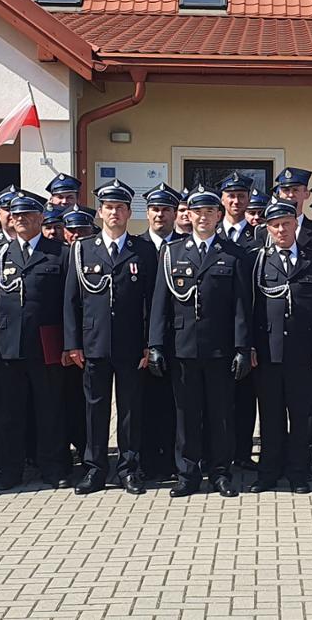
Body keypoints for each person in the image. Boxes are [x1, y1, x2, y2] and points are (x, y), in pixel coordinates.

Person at [152, 188, 255, 497]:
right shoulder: (172, 253)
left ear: (218, 216)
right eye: (198, 212)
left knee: (221, 414)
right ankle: (188, 474)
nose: (203, 217)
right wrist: (156, 345)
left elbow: (241, 307)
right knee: (186, 414)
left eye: (210, 212)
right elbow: (161, 303)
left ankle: (220, 472)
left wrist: (242, 349)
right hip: (182, 347)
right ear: (190, 215)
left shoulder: (233, 254)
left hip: (220, 348)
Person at [65, 180, 159, 495]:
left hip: (133, 345)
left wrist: (150, 342)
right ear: (101, 212)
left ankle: (129, 469)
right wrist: (73, 343)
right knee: (95, 409)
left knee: (131, 408)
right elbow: (72, 300)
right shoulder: (82, 248)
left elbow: (152, 301)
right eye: (109, 207)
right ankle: (94, 469)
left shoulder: (143, 250)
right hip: (94, 344)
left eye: (120, 207)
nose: (114, 213)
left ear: (129, 212)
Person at [0, 191, 73, 491]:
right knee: (10, 413)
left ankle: (53, 467)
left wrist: (69, 344)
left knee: (50, 411)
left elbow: (68, 305)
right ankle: (11, 470)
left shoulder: (59, 253)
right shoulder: (0, 255)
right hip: (9, 347)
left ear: (41, 218)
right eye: (16, 216)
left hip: (47, 345)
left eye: (28, 215)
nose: (21, 220)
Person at [250, 199, 312, 494]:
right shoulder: (258, 260)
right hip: (268, 354)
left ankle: (299, 472)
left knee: (302, 418)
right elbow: (250, 309)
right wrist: (249, 348)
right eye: (275, 225)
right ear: (268, 229)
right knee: (271, 417)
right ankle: (268, 473)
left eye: (286, 223)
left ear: (295, 225)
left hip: (304, 354)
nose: (281, 229)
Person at [136, 185, 183, 483]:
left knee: (175, 403)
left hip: (178, 338)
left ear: (175, 213)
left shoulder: (185, 245)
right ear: (147, 212)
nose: (160, 214)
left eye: (166, 209)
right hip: (140, 340)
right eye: (155, 209)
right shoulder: (135, 246)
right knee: (142, 404)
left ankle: (175, 462)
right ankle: (146, 462)